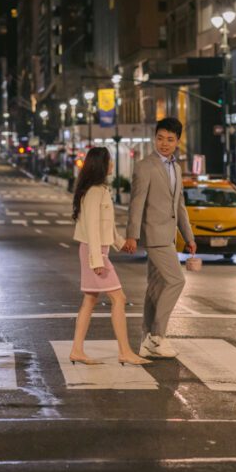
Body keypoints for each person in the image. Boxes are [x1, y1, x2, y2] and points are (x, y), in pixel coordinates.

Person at [69, 146, 152, 366]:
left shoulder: (100, 189)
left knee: (90, 300)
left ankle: (77, 350)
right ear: (100, 164)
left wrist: (121, 243)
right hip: (93, 252)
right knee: (119, 299)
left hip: (97, 250)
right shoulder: (94, 191)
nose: (112, 164)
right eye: (110, 160)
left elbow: (106, 227)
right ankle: (124, 351)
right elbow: (93, 229)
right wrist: (97, 261)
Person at [123, 117, 196, 359]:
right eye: (160, 138)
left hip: (169, 236)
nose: (164, 143)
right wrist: (132, 235)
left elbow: (180, 205)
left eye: (170, 139)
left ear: (177, 142)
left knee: (155, 288)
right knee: (176, 281)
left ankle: (145, 339)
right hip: (154, 234)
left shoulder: (175, 168)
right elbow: (137, 203)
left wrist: (189, 236)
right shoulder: (145, 166)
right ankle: (158, 336)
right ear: (155, 138)